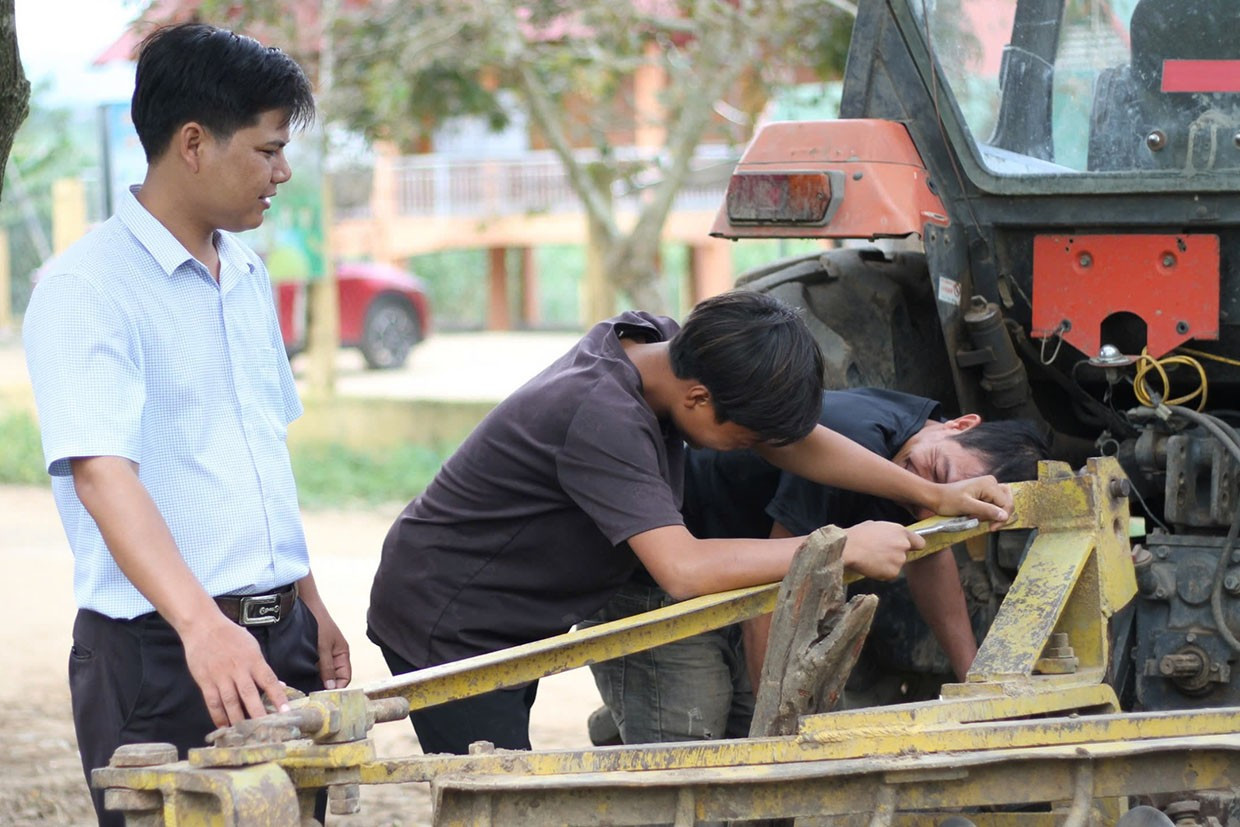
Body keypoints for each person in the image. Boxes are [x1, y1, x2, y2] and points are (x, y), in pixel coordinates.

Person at [367, 292, 1013, 756]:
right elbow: (682, 569)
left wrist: (932, 492)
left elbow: (793, 444)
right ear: (698, 398)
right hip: (453, 616)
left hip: (520, 606)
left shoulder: (666, 350)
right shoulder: (603, 415)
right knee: (493, 793)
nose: (752, 450)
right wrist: (840, 548)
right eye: (746, 438)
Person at [22, 23, 350, 826]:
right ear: (194, 143)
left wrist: (307, 603)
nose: (282, 172)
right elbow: (103, 475)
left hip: (277, 638)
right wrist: (204, 627)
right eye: (268, 150)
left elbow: (257, 453)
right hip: (164, 649)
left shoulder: (246, 272)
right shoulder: (86, 287)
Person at [585, 388, 1050, 746]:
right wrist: (778, 732)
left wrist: (973, 678)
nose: (928, 500)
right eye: (939, 475)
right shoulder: (855, 439)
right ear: (961, 424)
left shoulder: (919, 443)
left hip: (733, 580)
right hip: (659, 582)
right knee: (693, 746)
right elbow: (779, 591)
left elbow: (930, 552)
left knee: (743, 742)